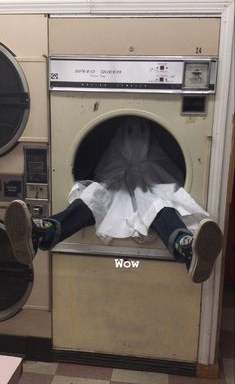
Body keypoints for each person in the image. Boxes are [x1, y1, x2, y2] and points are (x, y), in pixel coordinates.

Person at [5, 117, 223, 284]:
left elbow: (157, 165)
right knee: (94, 195)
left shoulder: (153, 140)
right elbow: (109, 165)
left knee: (157, 202)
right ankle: (42, 231)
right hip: (115, 179)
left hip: (150, 180)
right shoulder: (114, 137)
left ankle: (188, 248)